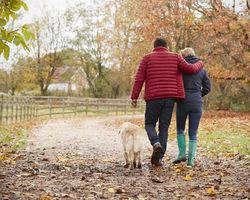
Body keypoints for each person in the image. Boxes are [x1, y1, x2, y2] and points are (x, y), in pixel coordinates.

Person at [131, 38, 204, 166]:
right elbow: (191, 69)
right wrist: (200, 63)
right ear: (167, 47)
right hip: (170, 98)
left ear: (154, 47)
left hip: (153, 97)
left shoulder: (146, 58)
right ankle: (159, 157)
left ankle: (156, 143)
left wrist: (134, 97)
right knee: (164, 127)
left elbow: (139, 79)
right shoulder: (175, 57)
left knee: (149, 123)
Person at [173, 47, 211, 167]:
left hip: (183, 101)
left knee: (180, 129)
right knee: (193, 132)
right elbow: (208, 87)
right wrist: (199, 95)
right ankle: (190, 161)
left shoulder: (180, 69)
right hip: (197, 102)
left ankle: (182, 154)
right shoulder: (202, 70)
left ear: (183, 57)